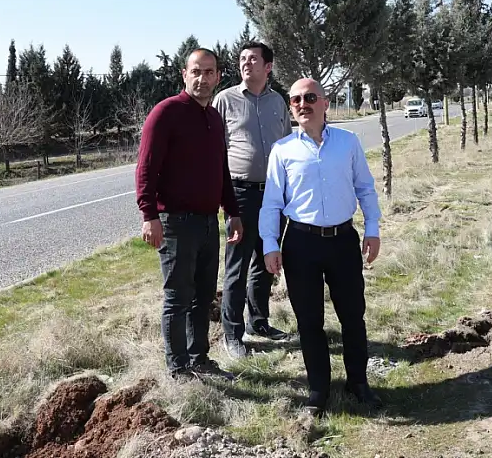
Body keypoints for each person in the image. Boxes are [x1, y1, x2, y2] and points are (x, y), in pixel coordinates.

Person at [259, 78, 384, 417]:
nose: (303, 104)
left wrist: (372, 229)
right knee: (309, 321)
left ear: (325, 103)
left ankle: (358, 383)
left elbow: (366, 188)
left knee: (352, 316)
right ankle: (319, 390)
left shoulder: (348, 142)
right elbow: (271, 203)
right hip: (300, 244)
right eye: (296, 99)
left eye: (310, 97)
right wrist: (271, 244)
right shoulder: (282, 150)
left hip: (343, 241)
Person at [136, 48, 243, 381]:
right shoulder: (166, 113)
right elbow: (145, 168)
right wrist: (148, 215)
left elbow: (221, 170)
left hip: (209, 222)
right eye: (196, 71)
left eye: (209, 72)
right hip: (176, 224)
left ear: (218, 77)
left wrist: (233, 212)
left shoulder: (213, 117)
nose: (202, 78)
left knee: (203, 297)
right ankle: (178, 367)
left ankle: (200, 358)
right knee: (177, 297)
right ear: (184, 75)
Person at [212, 41, 294, 359]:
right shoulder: (225, 100)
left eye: (253, 59)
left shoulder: (278, 102)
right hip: (240, 195)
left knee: (266, 262)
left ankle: (258, 322)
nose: (246, 63)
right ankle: (232, 336)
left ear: (268, 66)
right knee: (236, 267)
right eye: (242, 59)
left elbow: (287, 146)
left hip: (274, 195)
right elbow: (215, 151)